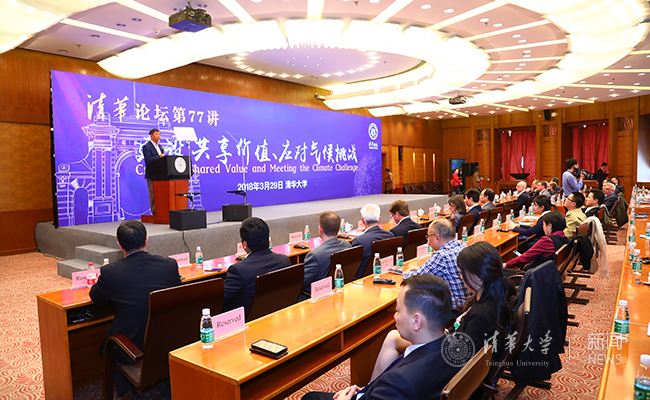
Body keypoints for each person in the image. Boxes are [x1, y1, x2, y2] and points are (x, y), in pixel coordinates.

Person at [369, 242, 515, 389]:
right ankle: (372, 388)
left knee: (393, 338)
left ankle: (371, 390)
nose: (461, 277)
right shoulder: (496, 297)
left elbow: (459, 359)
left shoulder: (481, 315)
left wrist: (440, 338)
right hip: (452, 348)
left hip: (447, 365)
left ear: (477, 277)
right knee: (397, 336)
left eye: (463, 272)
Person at [302, 274, 460, 400]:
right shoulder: (455, 347)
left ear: (416, 321)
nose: (394, 316)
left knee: (310, 397)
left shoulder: (399, 383)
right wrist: (368, 390)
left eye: (398, 310)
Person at [89, 220, 181, 399]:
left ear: (119, 245)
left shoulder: (111, 272)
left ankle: (127, 392)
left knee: (106, 348)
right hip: (166, 343)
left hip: (133, 350)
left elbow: (96, 298)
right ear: (146, 240)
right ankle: (163, 383)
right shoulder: (169, 265)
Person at [223, 217, 292, 314]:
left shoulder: (238, 270)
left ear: (244, 244)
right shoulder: (284, 261)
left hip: (247, 319)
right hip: (278, 314)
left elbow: (223, 302)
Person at [403, 218, 470, 308]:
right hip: (469, 304)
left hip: (455, 309)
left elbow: (412, 279)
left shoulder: (441, 256)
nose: (428, 241)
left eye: (428, 236)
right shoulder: (463, 246)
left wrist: (407, 272)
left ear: (437, 238)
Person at [300, 212, 351, 301]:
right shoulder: (347, 245)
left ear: (320, 229)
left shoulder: (314, 255)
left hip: (317, 298)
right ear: (339, 229)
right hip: (339, 291)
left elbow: (302, 283)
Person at [505, 211, 569, 271]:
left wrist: (506, 264)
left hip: (536, 274)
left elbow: (525, 258)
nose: (543, 227)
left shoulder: (547, 241)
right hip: (551, 272)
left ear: (550, 226)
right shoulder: (566, 239)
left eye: (543, 224)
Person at [351, 204, 394, 278]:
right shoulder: (390, 235)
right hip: (385, 274)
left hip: (362, 279)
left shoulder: (359, 241)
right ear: (379, 219)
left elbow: (353, 267)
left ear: (363, 220)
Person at [142, 128, 165, 215]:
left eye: (159, 134)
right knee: (153, 193)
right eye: (156, 134)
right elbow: (148, 160)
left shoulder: (160, 146)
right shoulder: (147, 146)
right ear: (151, 135)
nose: (158, 136)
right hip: (152, 173)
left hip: (160, 173)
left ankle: (161, 210)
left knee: (160, 193)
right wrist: (159, 156)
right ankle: (154, 211)